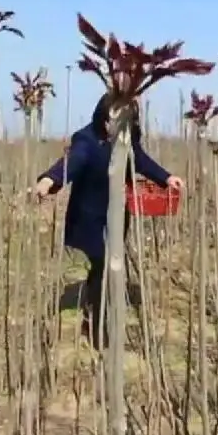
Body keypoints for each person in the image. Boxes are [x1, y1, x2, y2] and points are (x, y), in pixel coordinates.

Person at [35, 94, 184, 349]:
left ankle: (100, 308)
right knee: (103, 263)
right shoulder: (87, 140)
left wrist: (166, 177)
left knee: (108, 264)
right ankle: (96, 325)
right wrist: (51, 179)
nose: (115, 125)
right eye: (112, 119)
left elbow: (140, 159)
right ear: (103, 119)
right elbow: (72, 161)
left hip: (117, 213)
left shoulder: (127, 138)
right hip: (90, 216)